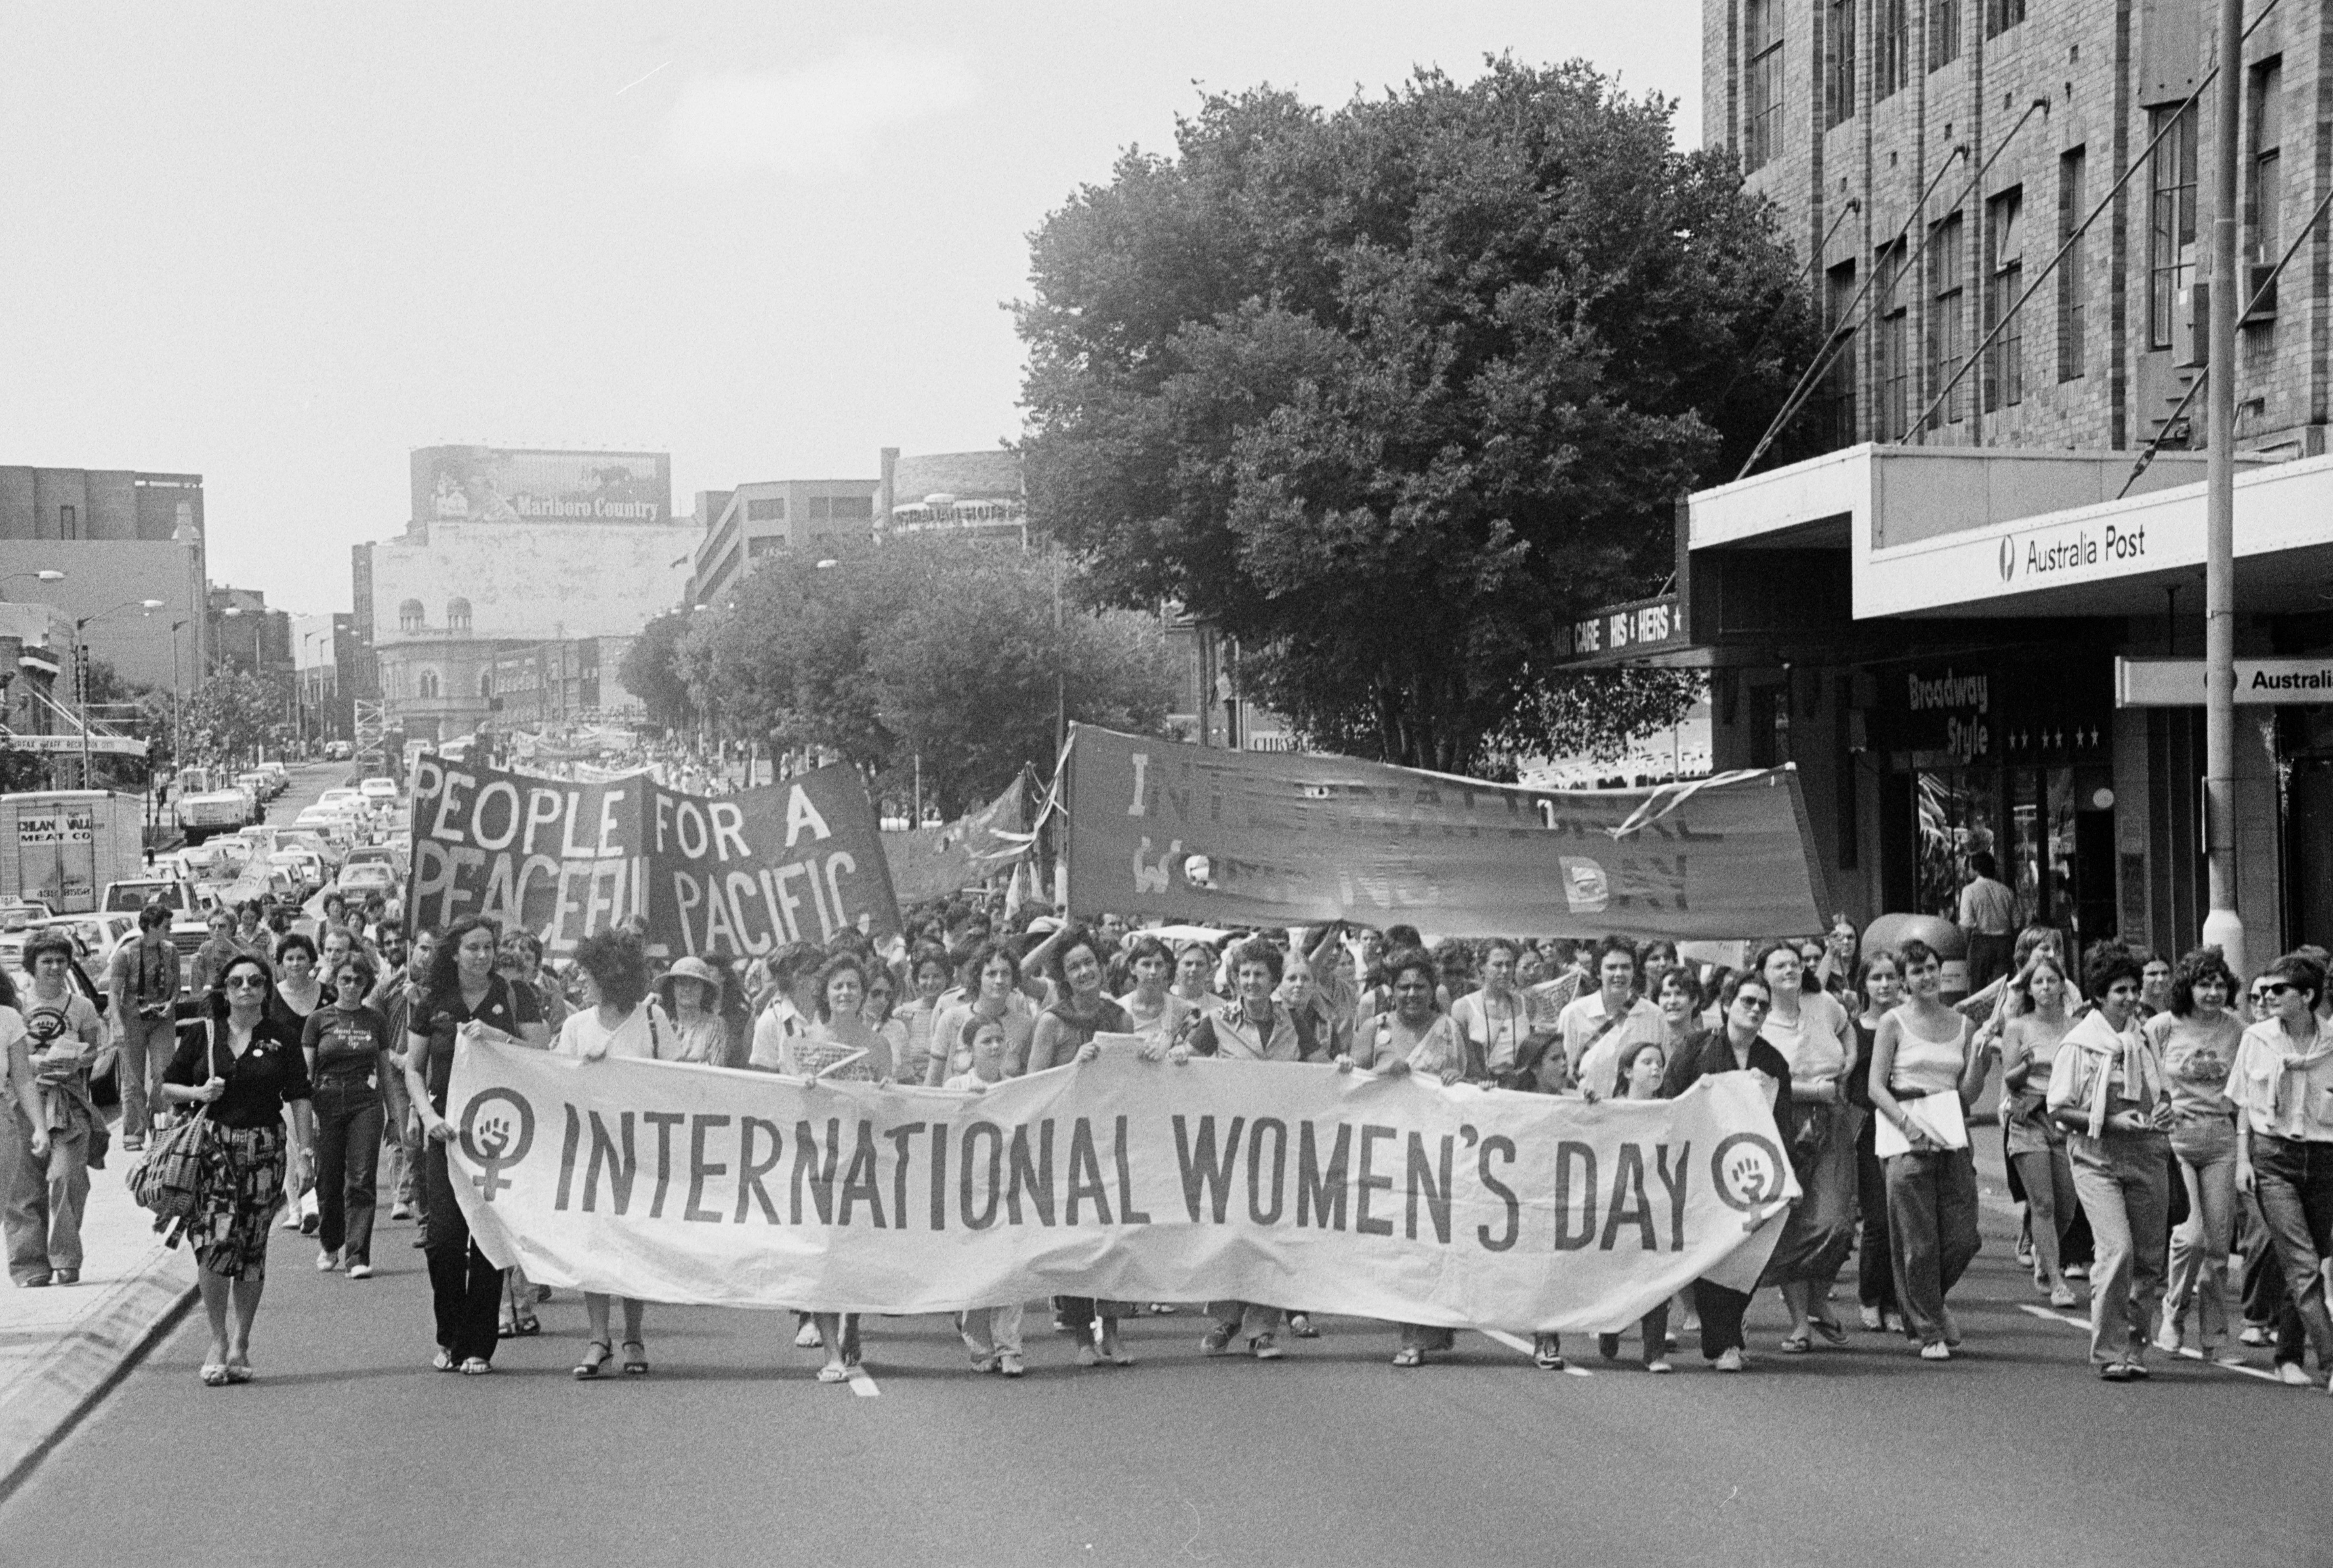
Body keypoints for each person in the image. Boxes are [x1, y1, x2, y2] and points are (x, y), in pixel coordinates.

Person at [161, 951, 316, 1385]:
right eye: (236, 983)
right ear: (224, 991)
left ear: (266, 989)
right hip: (213, 1149)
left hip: (264, 1149)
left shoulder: (282, 1037)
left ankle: (241, 1341)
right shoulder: (202, 1035)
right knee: (212, 1242)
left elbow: (300, 1095)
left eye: (254, 981)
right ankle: (216, 1336)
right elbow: (165, 1087)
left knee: (250, 1247)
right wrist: (198, 1090)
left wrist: (305, 1154)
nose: (245, 988)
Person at [404, 916, 546, 1375]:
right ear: (454, 953)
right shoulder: (431, 1002)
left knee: (486, 1242)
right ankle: (449, 1334)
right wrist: (427, 1116)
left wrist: (499, 1037)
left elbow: (541, 1056)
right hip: (446, 1136)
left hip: (499, 1137)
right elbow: (413, 1067)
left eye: (488, 947)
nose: (482, 956)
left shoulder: (514, 995)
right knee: (444, 1241)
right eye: (473, 948)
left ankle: (478, 1344)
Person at [2048, 946, 2173, 1381]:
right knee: (2117, 1250)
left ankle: (2135, 1349)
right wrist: (2110, 1121)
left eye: (2134, 989)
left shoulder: (2143, 1039)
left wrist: (2163, 1112)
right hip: (2095, 1156)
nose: (2130, 998)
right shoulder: (2079, 1045)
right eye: (2120, 990)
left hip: (2148, 1154)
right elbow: (2059, 1109)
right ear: (2100, 995)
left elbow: (2163, 1092)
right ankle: (2108, 1352)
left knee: (2148, 1262)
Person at [1343, 948, 1471, 1368]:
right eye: (1403, 987)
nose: (1412, 994)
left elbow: (1467, 1087)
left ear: (1432, 989)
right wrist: (1379, 1074)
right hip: (1386, 1153)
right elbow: (1347, 1086)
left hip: (1437, 1153)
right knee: (1399, 1247)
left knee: (1430, 1246)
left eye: (1419, 986)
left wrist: (1456, 1080)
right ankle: (1409, 1331)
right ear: (1391, 990)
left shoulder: (1449, 1028)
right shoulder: (1373, 1029)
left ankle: (1423, 1332)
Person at [1664, 969, 1795, 1372]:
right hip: (1701, 1170)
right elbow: (1670, 1105)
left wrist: (1787, 1177)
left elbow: (1783, 1124)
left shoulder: (1772, 1061)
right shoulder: (1695, 1049)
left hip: (1749, 1174)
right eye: (1747, 1002)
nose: (1755, 1010)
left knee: (1748, 1254)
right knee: (1712, 1254)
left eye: (1762, 1005)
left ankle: (1728, 1330)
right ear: (1725, 1005)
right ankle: (1723, 1344)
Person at [1868, 937, 1988, 1362]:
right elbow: (1875, 1087)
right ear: (1904, 982)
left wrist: (1981, 1058)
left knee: (1963, 1237)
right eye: (1916, 972)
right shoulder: (1893, 1023)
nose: (1927, 977)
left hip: (1951, 1133)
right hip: (1906, 1135)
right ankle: (1928, 1329)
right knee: (1917, 1243)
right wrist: (1907, 1126)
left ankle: (1931, 1303)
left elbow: (1967, 1093)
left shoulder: (1963, 1025)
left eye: (1932, 968)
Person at [1180, 939, 1301, 1361]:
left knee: (1272, 1236)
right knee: (1229, 1233)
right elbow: (1184, 1063)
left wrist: (1342, 1069)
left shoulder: (1294, 1021)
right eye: (1244, 974)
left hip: (1282, 1147)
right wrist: (1162, 1056)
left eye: (1260, 975)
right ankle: (1224, 1319)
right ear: (1235, 979)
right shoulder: (1216, 1022)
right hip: (1229, 1147)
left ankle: (1262, 1330)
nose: (1251, 981)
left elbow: (1323, 1067)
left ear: (1273, 981)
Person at [1028, 927, 1139, 1366]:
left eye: (1089, 962)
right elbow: (1033, 1086)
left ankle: (1112, 1331)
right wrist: (1075, 1067)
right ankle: (1081, 1337)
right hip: (1066, 1147)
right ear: (1064, 976)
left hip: (1111, 1143)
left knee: (1113, 1240)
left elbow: (1131, 1080)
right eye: (1073, 967)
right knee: (1074, 1241)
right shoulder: (1052, 1022)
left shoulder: (1119, 1018)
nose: (1084, 972)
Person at [553, 930, 659, 1378]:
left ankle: (633, 1335)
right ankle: (598, 1338)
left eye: (587, 974)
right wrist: (582, 1070)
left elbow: (680, 1082)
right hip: (592, 1155)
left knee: (634, 1244)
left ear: (611, 977)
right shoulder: (576, 1027)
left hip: (641, 1152)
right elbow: (552, 1082)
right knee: (593, 1245)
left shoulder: (653, 1021)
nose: (580, 981)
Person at [2228, 950, 2333, 1390]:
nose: (2266, 996)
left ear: (2307, 996)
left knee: (2307, 1262)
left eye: (2278, 990)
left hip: (2323, 1157)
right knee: (2304, 1264)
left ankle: (2288, 1355)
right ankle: (2330, 1362)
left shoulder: (2331, 1042)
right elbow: (2242, 1104)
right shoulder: (2257, 1038)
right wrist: (2242, 1160)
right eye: (2264, 989)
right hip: (2273, 1158)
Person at [1751, 941, 1861, 1352]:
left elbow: (1847, 1029)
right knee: (1795, 1222)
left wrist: (1848, 1061)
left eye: (1794, 964)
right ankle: (1799, 1321)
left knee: (1836, 1221)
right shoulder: (1758, 1019)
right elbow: (1760, 1079)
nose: (1790, 970)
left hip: (1833, 1120)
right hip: (1785, 1123)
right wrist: (1815, 1090)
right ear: (1763, 974)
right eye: (1779, 965)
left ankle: (1818, 1301)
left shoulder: (1824, 1002)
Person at [2148, 946, 2245, 1361]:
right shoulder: (2161, 1028)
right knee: (2191, 1238)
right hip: (2177, 1139)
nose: (2212, 993)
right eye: (2204, 984)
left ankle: (2214, 1338)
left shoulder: (2238, 1030)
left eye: (2220, 985)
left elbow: (2245, 1089)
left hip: (2221, 1138)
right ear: (2187, 988)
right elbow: (2144, 1076)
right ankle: (2173, 1312)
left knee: (2219, 1247)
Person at [6, 936, 104, 1288]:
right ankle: (29, 1265)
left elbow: (94, 1051)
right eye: (47, 961)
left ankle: (65, 1256)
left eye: (61, 961)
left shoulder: (82, 1007)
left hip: (68, 1099)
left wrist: (77, 1058)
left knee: (68, 1176)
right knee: (24, 1185)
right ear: (32, 966)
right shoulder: (15, 1008)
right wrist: (34, 1062)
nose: (55, 968)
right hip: (23, 1100)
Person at [300, 952, 391, 1279]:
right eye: (345, 980)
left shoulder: (376, 1020)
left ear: (367, 984)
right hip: (326, 1099)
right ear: (335, 981)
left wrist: (394, 1116)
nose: (352, 986)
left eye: (359, 980)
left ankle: (357, 1255)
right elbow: (306, 1072)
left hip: (365, 1101)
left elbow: (385, 1070)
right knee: (328, 1178)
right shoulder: (319, 1020)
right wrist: (307, 1116)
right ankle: (330, 1242)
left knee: (362, 1178)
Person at [1999, 951, 2082, 1309]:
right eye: (2039, 982)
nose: (2046, 987)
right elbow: (2009, 1077)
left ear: (2063, 986)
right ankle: (2058, 1279)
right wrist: (2026, 1066)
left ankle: (2043, 1253)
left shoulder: (2077, 1027)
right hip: (2029, 1116)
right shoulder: (2018, 1027)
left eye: (2052, 980)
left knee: (2066, 1207)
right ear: (2029, 990)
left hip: (2067, 1118)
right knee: (2043, 1204)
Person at [1596, 1038, 1675, 1372]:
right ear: (1628, 1071)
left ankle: (1654, 1352)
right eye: (1647, 1062)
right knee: (1618, 1273)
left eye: (1659, 1063)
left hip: (1656, 1204)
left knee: (1658, 1275)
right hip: (1616, 1206)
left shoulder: (1673, 1108)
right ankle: (1610, 1325)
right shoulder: (1610, 1108)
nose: (1656, 1068)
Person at [1847, 951, 1904, 1332]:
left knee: (1903, 1218)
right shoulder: (1852, 1028)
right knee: (1878, 1219)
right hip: (1868, 1129)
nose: (1884, 985)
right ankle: (1870, 1296)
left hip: (1906, 1126)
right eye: (1876, 978)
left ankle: (1896, 1302)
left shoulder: (1908, 1024)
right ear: (1864, 983)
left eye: (1891, 977)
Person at [105, 902, 182, 1153]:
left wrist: (171, 1005)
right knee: (133, 1078)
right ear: (150, 927)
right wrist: (117, 1026)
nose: (170, 930)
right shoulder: (125, 955)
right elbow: (114, 993)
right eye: (166, 926)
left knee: (163, 1073)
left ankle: (159, 1125)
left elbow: (176, 987)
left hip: (161, 1019)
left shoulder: (171, 952)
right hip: (133, 1019)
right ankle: (133, 1133)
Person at [269, 932, 326, 1235]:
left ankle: (314, 1202)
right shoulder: (271, 998)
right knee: (293, 1144)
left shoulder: (328, 994)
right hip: (286, 1082)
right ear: (280, 964)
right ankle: (299, 1207)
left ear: (312, 961)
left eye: (301, 957)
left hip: (325, 1080)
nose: (295, 963)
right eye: (289, 958)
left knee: (315, 1141)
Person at [1560, 936, 1665, 1101]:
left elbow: (1662, 1073)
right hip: (1588, 1115)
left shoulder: (1655, 1015)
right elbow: (1562, 1077)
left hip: (1636, 1116)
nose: (1619, 974)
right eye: (1611, 968)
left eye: (1626, 967)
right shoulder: (1573, 1014)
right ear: (1598, 972)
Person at [925, 943, 1039, 1086]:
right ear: (978, 977)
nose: (999, 981)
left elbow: (1028, 1083)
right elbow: (933, 1081)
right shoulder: (951, 1019)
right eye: (991, 974)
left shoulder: (1025, 1025)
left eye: (1005, 974)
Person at [1449, 938, 1530, 1085]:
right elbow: (1457, 1059)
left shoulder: (1526, 1004)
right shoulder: (1463, 1008)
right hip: (1480, 1089)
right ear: (1482, 968)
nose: (1505, 971)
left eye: (1509, 965)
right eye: (1498, 965)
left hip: (1519, 1089)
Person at [891, 943, 956, 1085]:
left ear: (948, 978)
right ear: (916, 979)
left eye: (937, 976)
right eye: (925, 977)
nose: (930, 982)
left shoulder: (957, 1014)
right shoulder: (903, 1015)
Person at [653, 955, 734, 1066]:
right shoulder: (659, 1023)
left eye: (694, 984)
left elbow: (716, 1072)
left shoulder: (716, 1026)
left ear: (704, 989)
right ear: (672, 988)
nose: (687, 989)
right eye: (682, 983)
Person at [1957, 851, 2018, 995]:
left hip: (1980, 944)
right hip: (2005, 944)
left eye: (1970, 867)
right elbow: (2016, 924)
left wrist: (1962, 952)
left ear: (1977, 870)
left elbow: (1966, 925)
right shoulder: (2007, 891)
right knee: (2001, 992)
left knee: (1977, 992)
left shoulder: (1969, 891)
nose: (1968, 870)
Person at [189, 908, 241, 999]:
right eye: (212, 926)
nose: (216, 930)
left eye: (222, 926)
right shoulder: (205, 948)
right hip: (215, 1000)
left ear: (232, 928)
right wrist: (194, 968)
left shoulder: (241, 947)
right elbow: (196, 990)